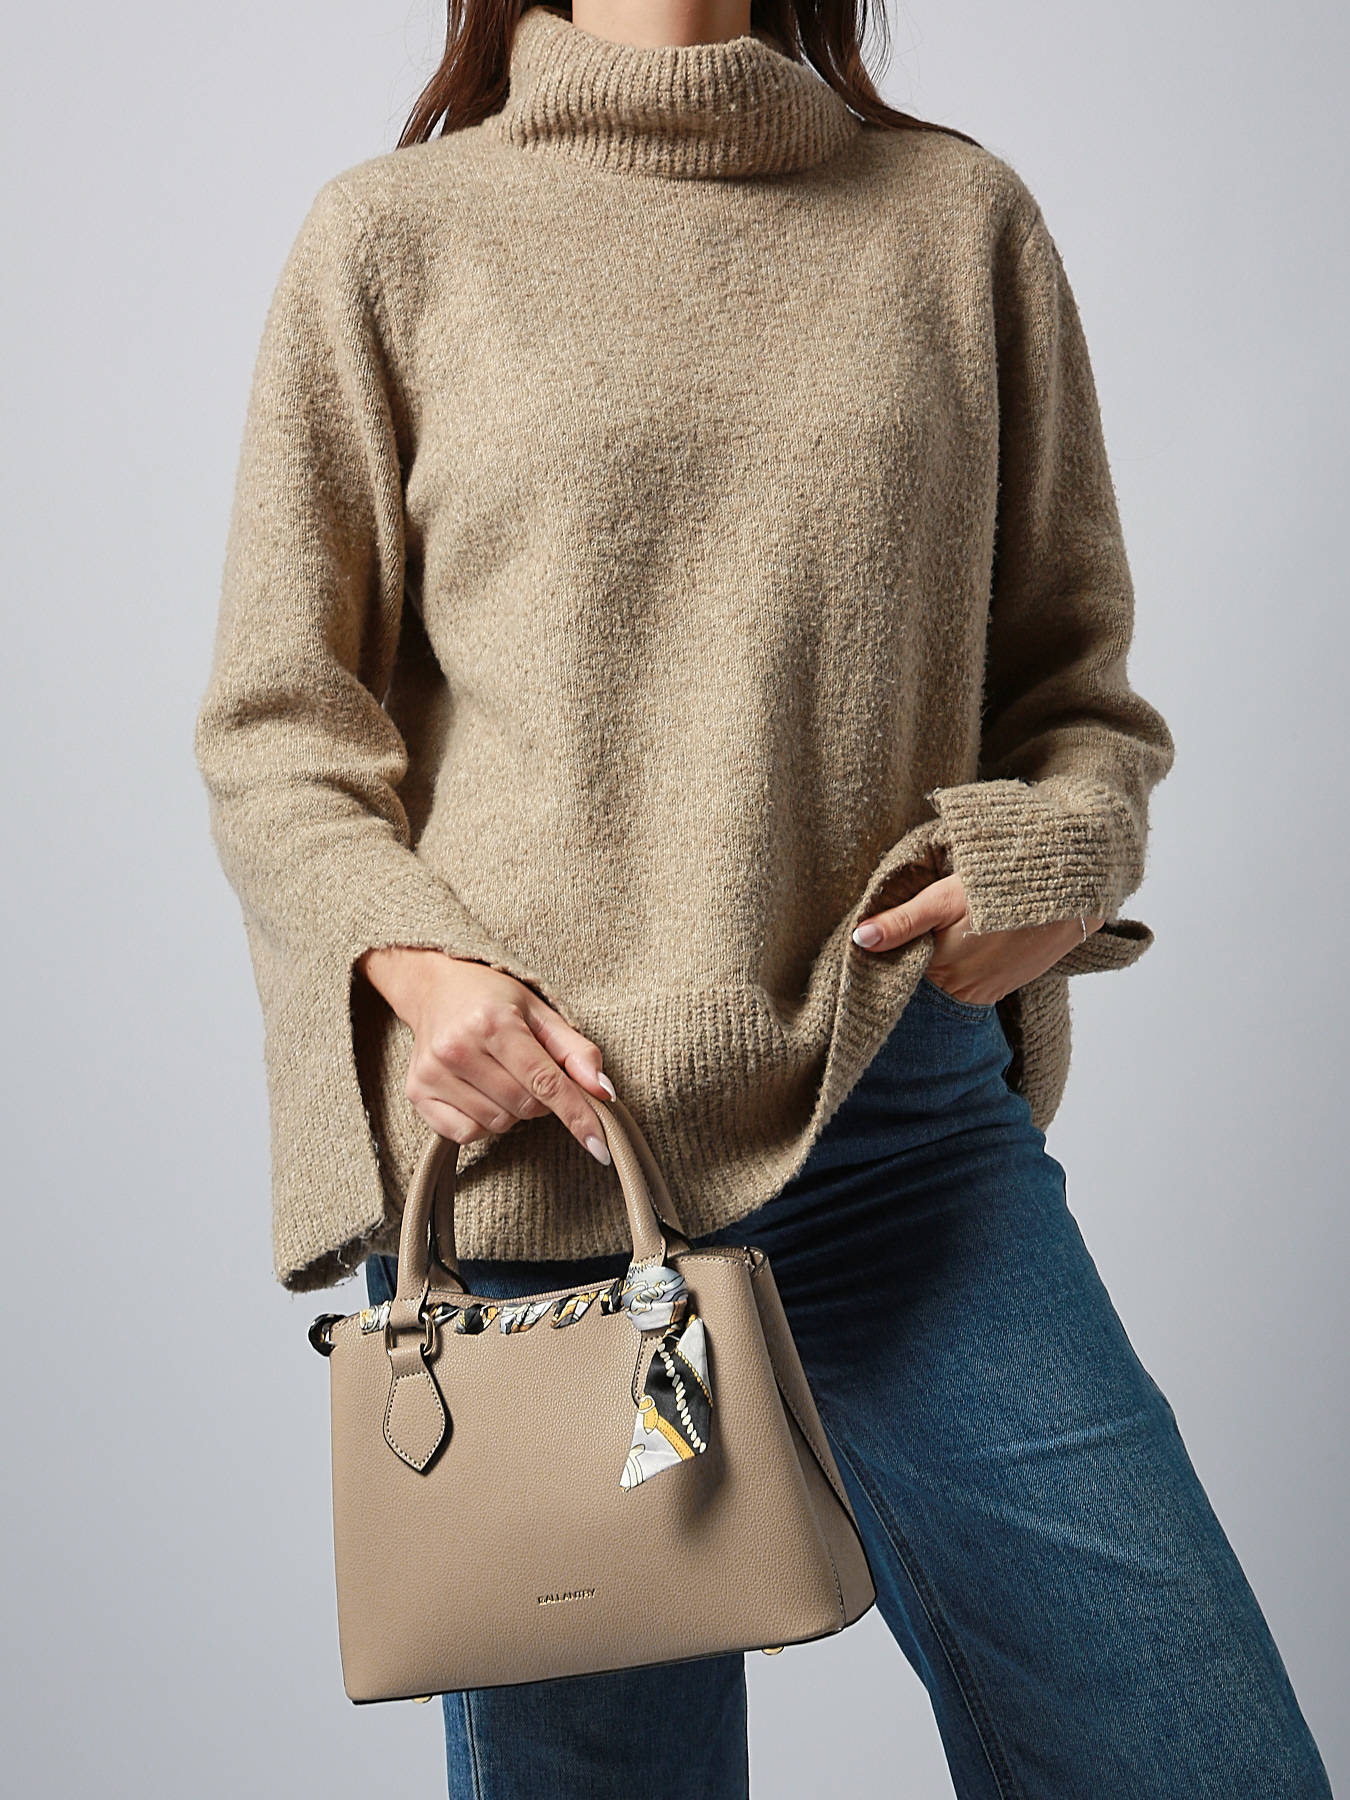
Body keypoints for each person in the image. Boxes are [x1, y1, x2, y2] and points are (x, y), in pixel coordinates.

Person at [193, 2, 1332, 1794]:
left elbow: (1077, 700)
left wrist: (1054, 856)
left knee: (1193, 1754)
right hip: (554, 1165)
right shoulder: (395, 238)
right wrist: (417, 965)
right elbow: (279, 727)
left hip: (897, 1138)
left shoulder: (956, 224)